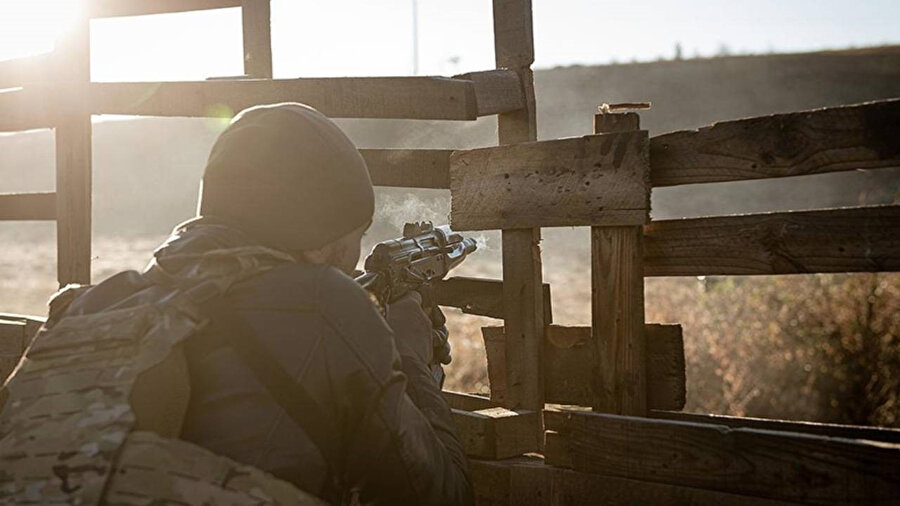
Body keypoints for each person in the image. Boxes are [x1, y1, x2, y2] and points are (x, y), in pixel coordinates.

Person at [60, 103, 473, 505]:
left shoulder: (99, 303)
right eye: (357, 234)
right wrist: (409, 354)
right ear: (318, 241)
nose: (355, 259)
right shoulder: (324, 305)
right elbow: (442, 495)